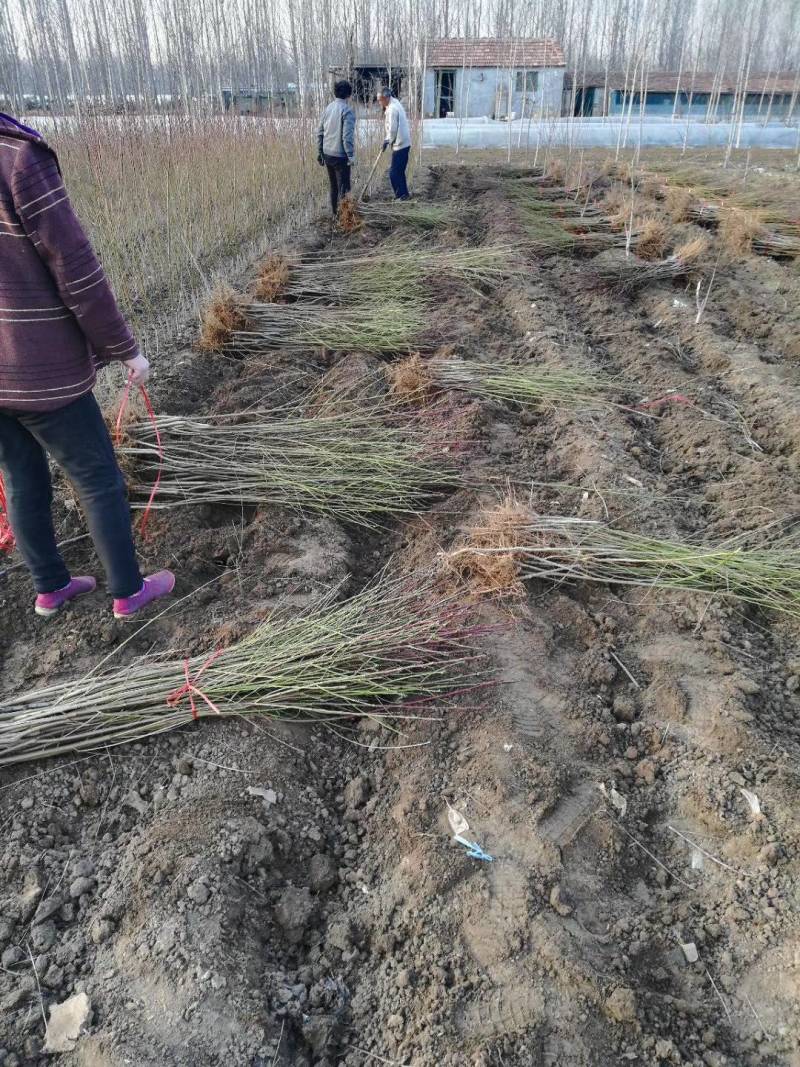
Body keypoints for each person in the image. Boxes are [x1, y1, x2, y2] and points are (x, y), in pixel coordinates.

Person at [0, 112, 175, 620]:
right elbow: (74, 268)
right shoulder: (18, 159)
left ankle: (50, 588)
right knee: (97, 477)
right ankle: (128, 591)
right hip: (38, 369)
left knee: (20, 475)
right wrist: (125, 349)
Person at [317, 80, 356, 217]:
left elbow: (320, 132)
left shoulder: (328, 108)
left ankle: (335, 214)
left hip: (327, 154)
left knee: (333, 186)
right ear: (349, 95)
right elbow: (347, 138)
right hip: (341, 156)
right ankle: (345, 218)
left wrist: (320, 152)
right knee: (344, 187)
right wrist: (351, 156)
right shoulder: (347, 111)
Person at [378, 87, 411, 200]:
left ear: (387, 98)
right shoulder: (394, 103)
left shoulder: (392, 109)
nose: (379, 102)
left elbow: (392, 129)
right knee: (399, 172)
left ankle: (400, 196)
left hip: (400, 144)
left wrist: (387, 141)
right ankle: (404, 195)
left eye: (381, 99)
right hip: (404, 143)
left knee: (394, 173)